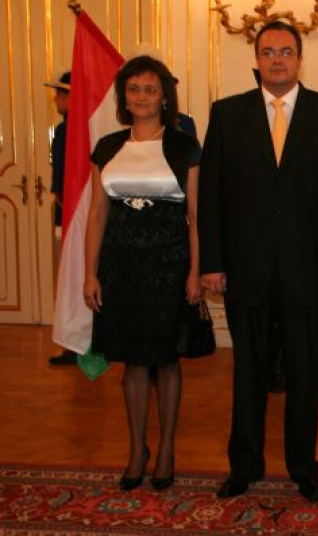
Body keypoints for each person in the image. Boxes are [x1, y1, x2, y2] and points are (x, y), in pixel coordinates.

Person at [198, 21, 318, 502]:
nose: (277, 60)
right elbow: (211, 196)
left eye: (286, 52)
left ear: (300, 59)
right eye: (268, 52)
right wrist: (212, 262)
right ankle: (244, 466)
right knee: (247, 374)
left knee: (306, 375)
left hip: (308, 271)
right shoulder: (227, 114)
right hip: (245, 270)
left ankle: (304, 468)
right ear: (256, 60)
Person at [82, 55, 202, 491]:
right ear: (124, 96)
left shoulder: (184, 147)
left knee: (166, 360)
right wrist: (90, 274)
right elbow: (97, 215)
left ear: (164, 97)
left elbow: (196, 217)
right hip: (120, 268)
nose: (142, 97)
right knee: (132, 362)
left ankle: (166, 449)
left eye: (151, 89)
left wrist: (195, 272)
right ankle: (137, 450)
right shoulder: (107, 147)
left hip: (169, 267)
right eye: (134, 89)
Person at [45, 70, 77, 366]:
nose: (55, 99)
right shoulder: (66, 129)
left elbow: (66, 180)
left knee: (72, 280)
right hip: (70, 214)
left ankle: (75, 344)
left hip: (71, 216)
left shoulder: (69, 131)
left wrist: (66, 210)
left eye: (59, 94)